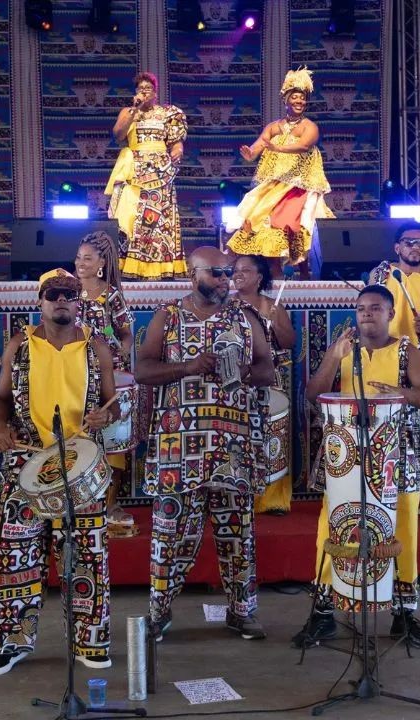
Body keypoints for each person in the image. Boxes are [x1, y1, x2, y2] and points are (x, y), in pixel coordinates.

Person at [295, 285, 420, 650]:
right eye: (361, 308)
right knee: (330, 528)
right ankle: (323, 613)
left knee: (404, 530)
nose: (366, 314)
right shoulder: (345, 348)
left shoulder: (407, 351)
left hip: (395, 455)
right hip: (345, 455)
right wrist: (333, 357)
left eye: (375, 308)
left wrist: (401, 393)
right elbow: (312, 394)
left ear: (390, 313)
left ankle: (404, 614)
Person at [135, 246, 274, 639]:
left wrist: (246, 371)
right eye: (215, 272)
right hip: (177, 448)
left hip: (234, 445)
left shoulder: (246, 317)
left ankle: (241, 611)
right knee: (169, 534)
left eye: (227, 272)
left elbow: (267, 369)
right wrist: (187, 367)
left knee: (237, 532)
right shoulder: (168, 316)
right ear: (191, 273)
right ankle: (158, 613)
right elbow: (143, 369)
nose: (223, 279)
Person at [0, 269, 119, 675]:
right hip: (26, 463)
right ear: (40, 300)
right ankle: (12, 642)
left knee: (87, 556)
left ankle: (89, 641)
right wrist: (0, 428)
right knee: (17, 555)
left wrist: (104, 416)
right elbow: (1, 399)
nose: (61, 300)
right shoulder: (18, 345)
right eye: (53, 294)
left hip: (81, 463)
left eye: (69, 294)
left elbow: (117, 404)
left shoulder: (97, 347)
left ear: (80, 301)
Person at [369, 222, 420, 516]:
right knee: (388, 422)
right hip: (386, 355)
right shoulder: (381, 274)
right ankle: (384, 489)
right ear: (397, 247)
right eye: (409, 242)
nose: (415, 248)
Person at [226, 68, 334, 278]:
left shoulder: (308, 126)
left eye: (302, 98)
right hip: (274, 186)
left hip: (300, 186)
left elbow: (303, 146)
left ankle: (304, 278)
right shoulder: (274, 127)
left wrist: (278, 148)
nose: (299, 101)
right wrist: (250, 154)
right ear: (286, 100)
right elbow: (258, 147)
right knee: (263, 225)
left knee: (294, 226)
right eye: (294, 97)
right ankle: (275, 279)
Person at [73, 230, 136, 535]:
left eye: (87, 258)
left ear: (101, 263)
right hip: (75, 374)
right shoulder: (66, 291)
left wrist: (119, 351)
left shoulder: (111, 295)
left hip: (110, 376)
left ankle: (111, 504)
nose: (80, 263)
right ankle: (80, 499)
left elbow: (126, 335)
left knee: (114, 440)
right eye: (78, 257)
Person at [106, 72, 188, 280]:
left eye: (148, 89)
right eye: (140, 89)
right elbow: (118, 135)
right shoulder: (128, 111)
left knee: (159, 221)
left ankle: (159, 268)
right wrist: (134, 110)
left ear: (156, 91)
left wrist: (178, 149)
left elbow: (176, 141)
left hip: (160, 172)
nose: (144, 92)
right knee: (129, 217)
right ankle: (128, 267)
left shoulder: (169, 113)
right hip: (134, 170)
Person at [232, 254, 297, 515]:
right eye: (235, 270)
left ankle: (272, 499)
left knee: (272, 434)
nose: (238, 275)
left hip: (268, 377)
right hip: (237, 378)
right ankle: (237, 494)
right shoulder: (226, 305)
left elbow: (289, 342)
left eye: (245, 271)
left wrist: (274, 321)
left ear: (259, 277)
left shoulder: (272, 305)